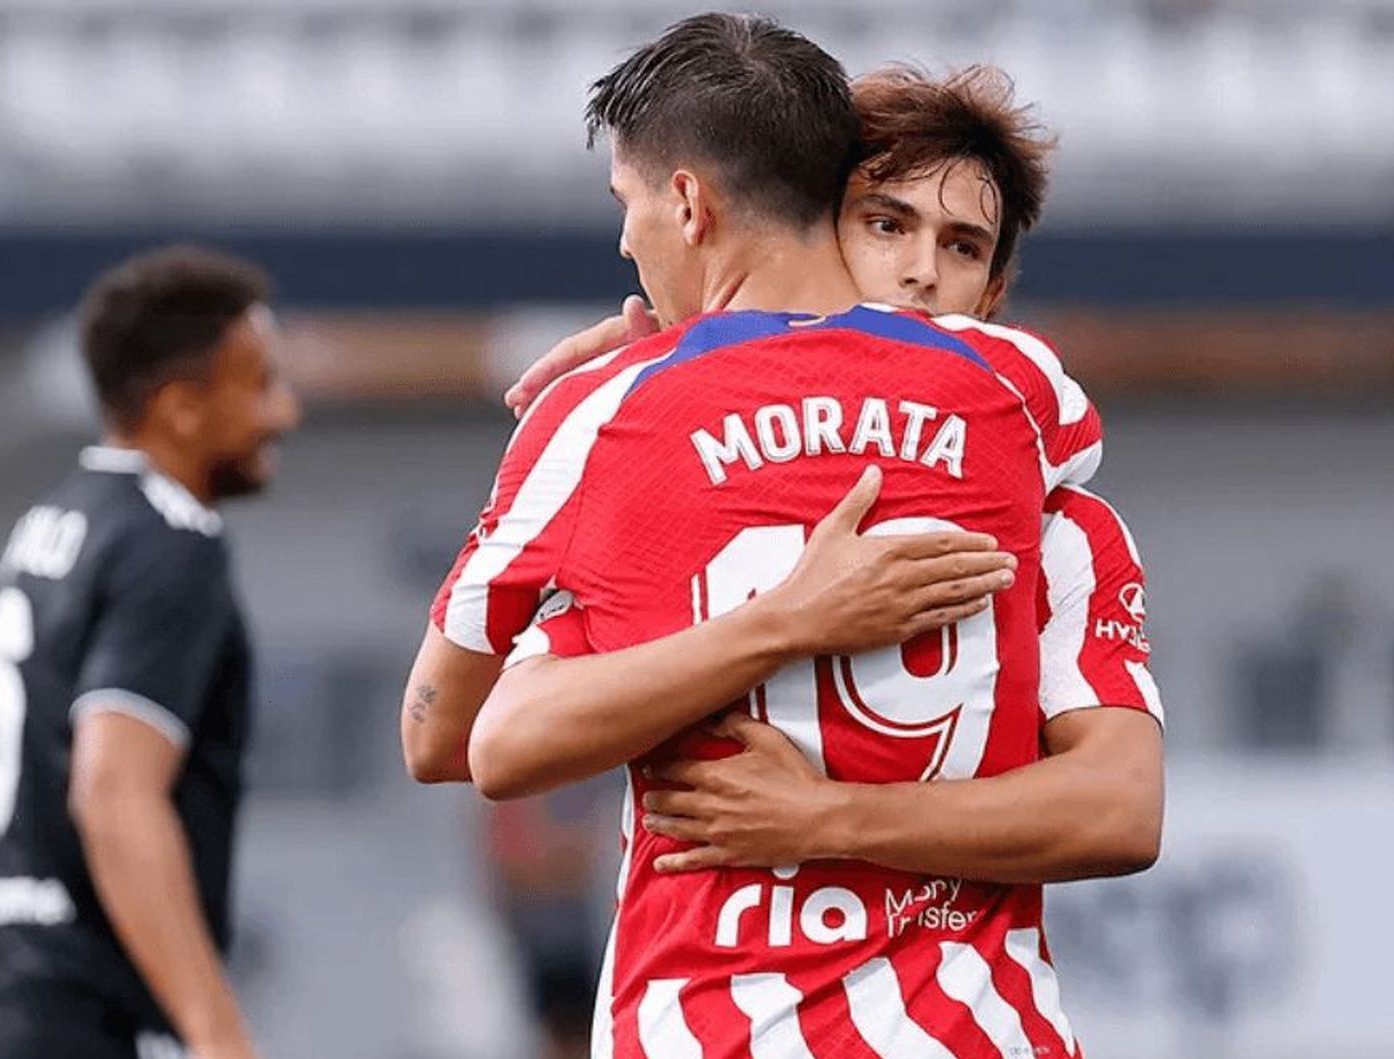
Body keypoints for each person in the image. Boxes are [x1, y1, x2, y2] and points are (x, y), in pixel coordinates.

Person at [403, 15, 1125, 1059]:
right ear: (833, 215)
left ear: (688, 203)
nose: (922, 272)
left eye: (628, 204)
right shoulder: (1023, 398)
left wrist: (641, 377)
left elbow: (451, 741)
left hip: (709, 1039)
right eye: (890, 225)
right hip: (975, 1050)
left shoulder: (606, 418)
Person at [499, 66, 1165, 888]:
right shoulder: (660, 461)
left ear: (993, 293)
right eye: (886, 225)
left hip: (964, 1007)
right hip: (707, 997)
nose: (922, 271)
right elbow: (480, 739)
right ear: (816, 233)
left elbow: (1122, 809)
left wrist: (825, 817)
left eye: (962, 246)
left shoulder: (1059, 526)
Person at [0, 247, 299, 1059]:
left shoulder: (52, 520)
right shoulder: (170, 541)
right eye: (260, 384)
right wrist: (216, 1034)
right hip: (75, 1034)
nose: (284, 412)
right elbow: (114, 790)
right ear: (181, 409)